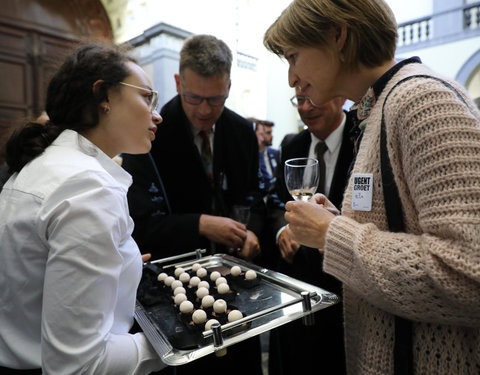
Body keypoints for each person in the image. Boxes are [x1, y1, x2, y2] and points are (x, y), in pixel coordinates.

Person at [264, 1, 480, 374]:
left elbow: (469, 274)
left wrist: (334, 234)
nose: (291, 78)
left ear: (338, 35)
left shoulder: (421, 101)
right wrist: (335, 221)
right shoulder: (378, 108)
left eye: (294, 56)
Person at [0, 43, 165, 374]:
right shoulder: (88, 187)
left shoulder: (52, 165)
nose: (156, 113)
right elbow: (80, 365)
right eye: (147, 97)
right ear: (104, 96)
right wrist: (171, 339)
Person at [122, 34, 263, 375]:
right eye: (194, 97)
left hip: (237, 286)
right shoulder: (150, 133)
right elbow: (140, 225)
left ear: (229, 86)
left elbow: (253, 196)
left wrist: (253, 232)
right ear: (177, 82)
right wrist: (199, 223)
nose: (204, 111)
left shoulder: (242, 130)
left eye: (215, 100)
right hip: (176, 293)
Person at [268, 90, 354, 375]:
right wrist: (283, 230)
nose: (306, 108)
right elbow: (274, 201)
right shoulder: (292, 144)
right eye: (299, 100)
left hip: (344, 291)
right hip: (298, 290)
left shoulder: (361, 139)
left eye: (313, 98)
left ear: (341, 97)